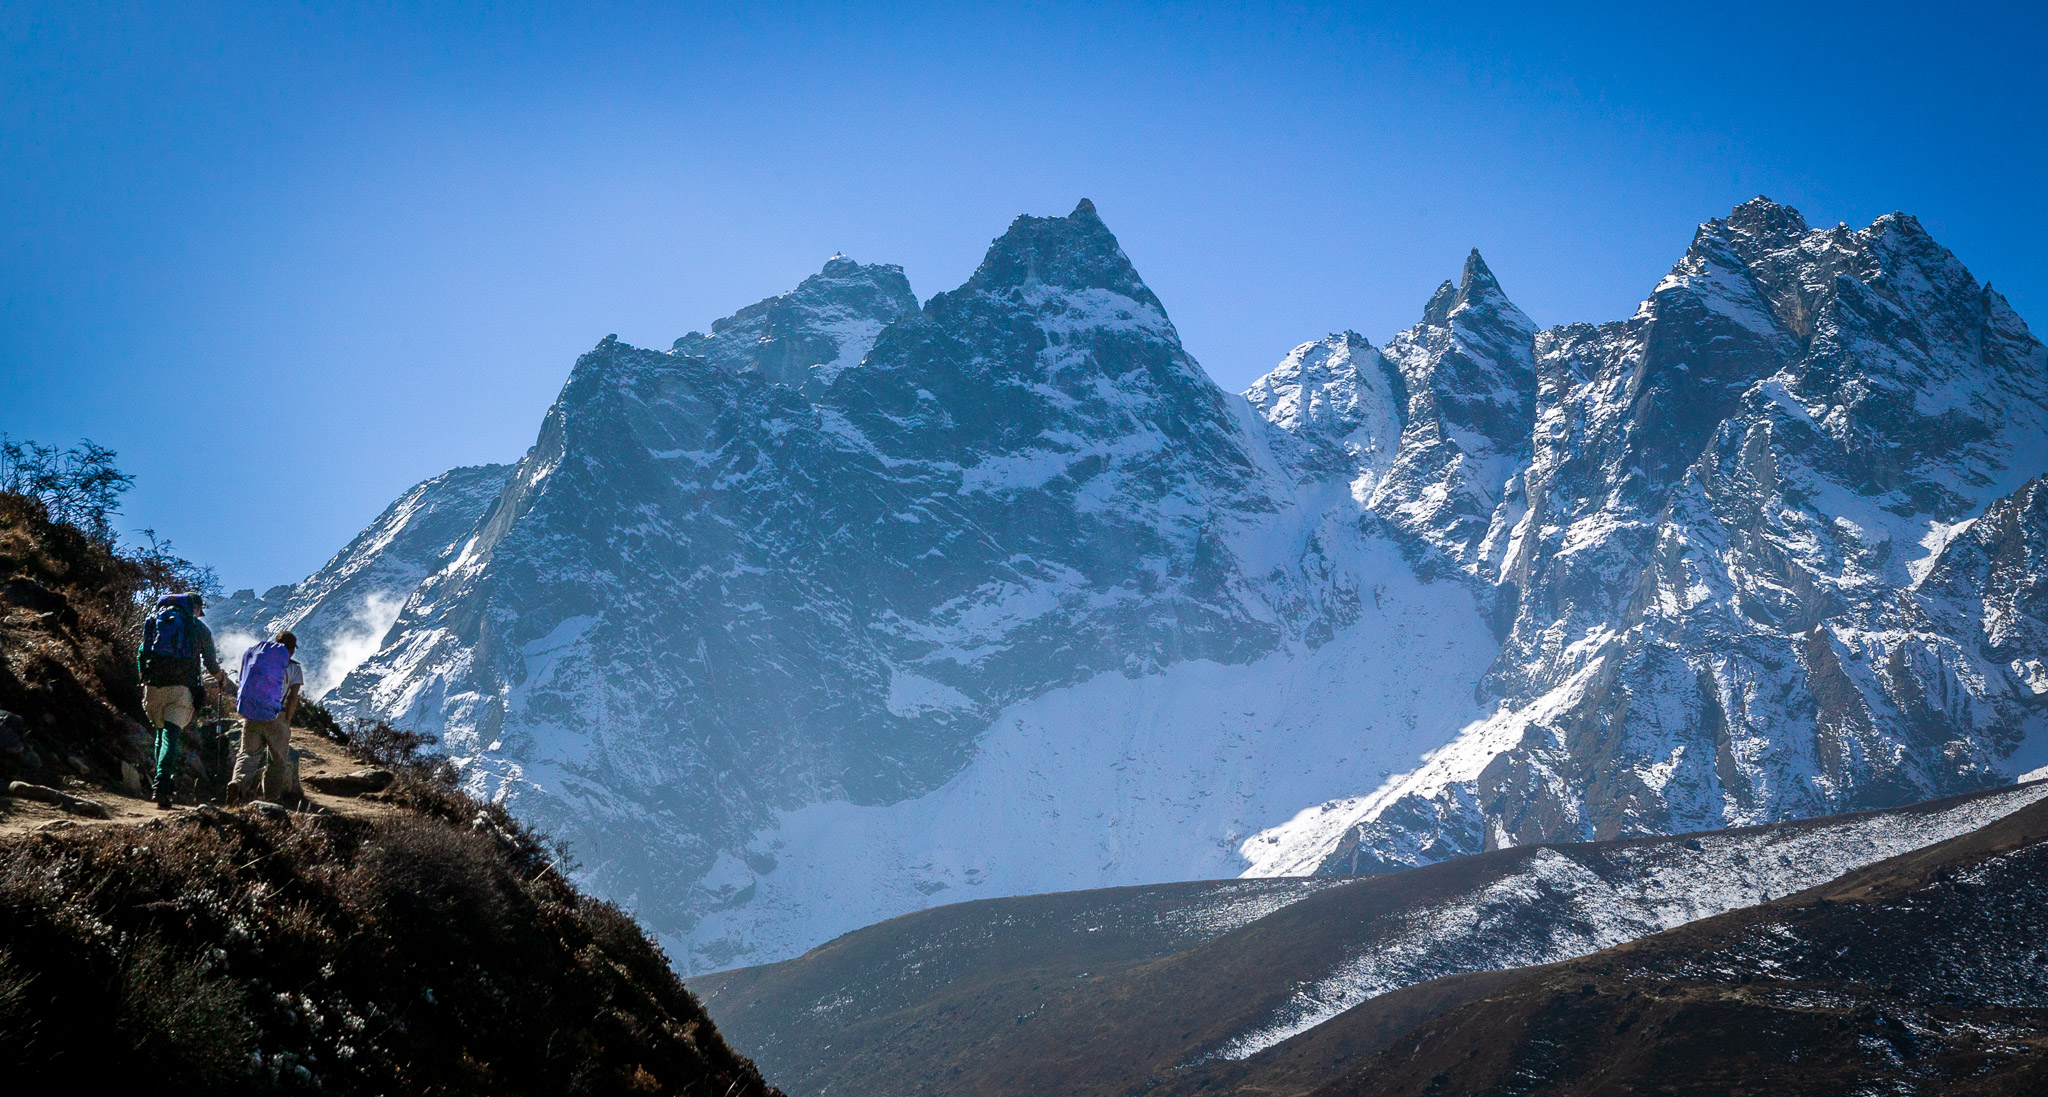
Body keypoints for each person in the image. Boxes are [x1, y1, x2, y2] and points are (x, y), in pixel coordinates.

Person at [138, 591, 230, 809]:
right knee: (171, 734)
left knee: (160, 732)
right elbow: (210, 662)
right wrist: (220, 678)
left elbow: (141, 652)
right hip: (181, 689)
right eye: (199, 610)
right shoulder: (198, 628)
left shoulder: (154, 622)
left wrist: (144, 679)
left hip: (152, 686)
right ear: (195, 607)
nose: (199, 614)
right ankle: (162, 785)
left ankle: (163, 781)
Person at [230, 630, 304, 805]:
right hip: (276, 717)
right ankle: (270, 800)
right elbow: (293, 697)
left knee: (247, 754)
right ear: (292, 649)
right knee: (278, 761)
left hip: (252, 715)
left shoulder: (260, 661)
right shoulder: (294, 667)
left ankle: (237, 784)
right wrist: (287, 719)